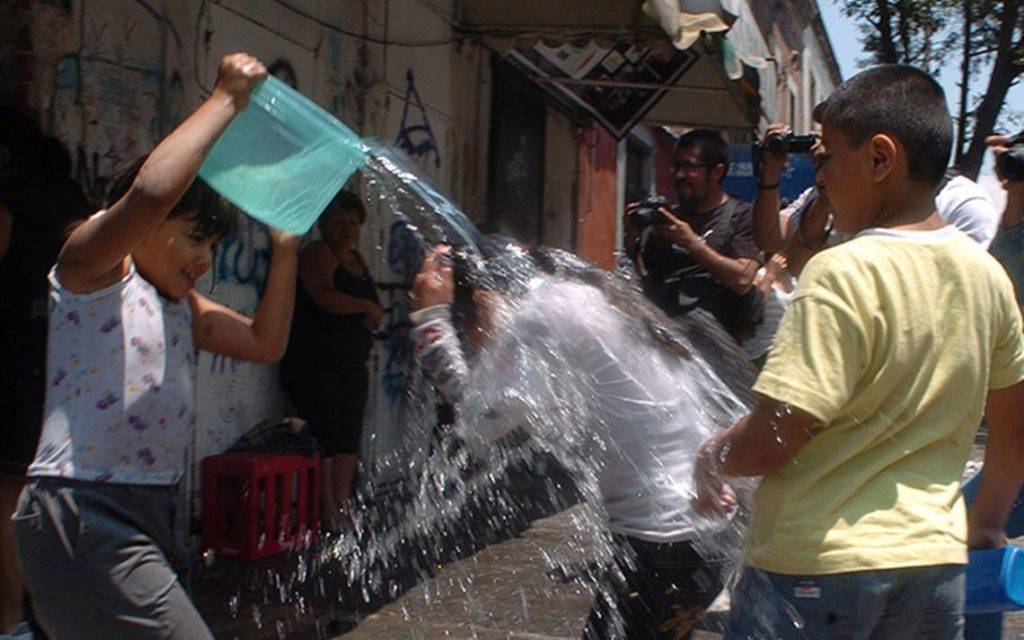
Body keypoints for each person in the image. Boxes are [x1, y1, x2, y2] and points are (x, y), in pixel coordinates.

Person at [693, 65, 1024, 639]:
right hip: (933, 568)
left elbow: (778, 435)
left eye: (825, 159)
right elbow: (1015, 432)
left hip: (817, 567)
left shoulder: (840, 272)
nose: (817, 177)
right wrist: (988, 526)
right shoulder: (986, 276)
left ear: (879, 158)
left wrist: (713, 453)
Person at [12, 53, 302, 640]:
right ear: (148, 224)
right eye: (196, 238)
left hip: (151, 512)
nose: (205, 259)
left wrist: (288, 250)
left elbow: (266, 342)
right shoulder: (91, 270)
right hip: (86, 506)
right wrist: (225, 99)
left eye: (216, 245)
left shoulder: (181, 307)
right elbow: (150, 193)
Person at [409, 244, 753, 639]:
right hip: (703, 534)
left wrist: (429, 322)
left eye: (467, 332)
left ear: (485, 300)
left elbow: (482, 423)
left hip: (668, 543)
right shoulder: (585, 296)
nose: (475, 347)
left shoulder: (536, 316)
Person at [0, 113, 91, 637]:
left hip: (18, 354)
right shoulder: (74, 202)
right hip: (69, 357)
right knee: (53, 487)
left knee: (8, 492)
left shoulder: (12, 199)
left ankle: (14, 619)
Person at [281, 191, 381, 529]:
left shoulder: (357, 260)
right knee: (325, 433)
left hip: (352, 361)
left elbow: (367, 303)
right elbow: (323, 295)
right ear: (323, 224)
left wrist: (370, 317)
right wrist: (365, 309)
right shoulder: (318, 253)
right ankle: (325, 507)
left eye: (352, 222)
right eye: (338, 222)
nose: (346, 229)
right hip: (317, 361)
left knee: (348, 435)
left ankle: (342, 501)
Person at [627, 129, 764, 342]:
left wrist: (692, 243)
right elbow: (642, 281)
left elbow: (743, 278)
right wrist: (633, 236)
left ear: (717, 172)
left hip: (719, 351)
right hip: (664, 345)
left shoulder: (742, 216)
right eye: (676, 166)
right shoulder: (666, 219)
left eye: (689, 167)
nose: (679, 175)